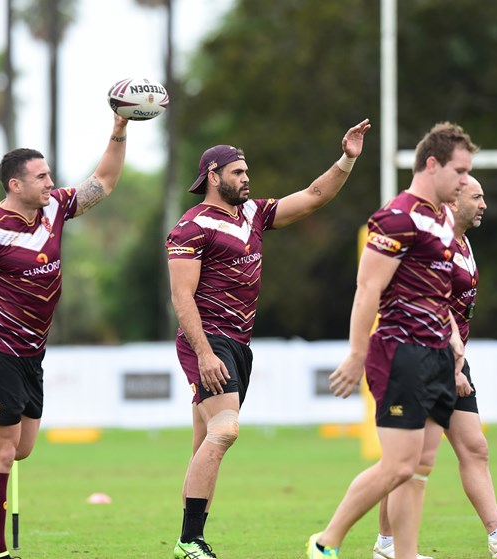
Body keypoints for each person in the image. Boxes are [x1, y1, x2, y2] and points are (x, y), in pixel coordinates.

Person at [166, 119, 371, 559]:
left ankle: (188, 540)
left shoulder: (254, 214)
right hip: (208, 340)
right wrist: (204, 353)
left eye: (247, 171)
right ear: (213, 176)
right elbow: (181, 297)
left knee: (205, 444)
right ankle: (189, 541)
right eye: (238, 172)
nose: (247, 178)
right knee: (225, 431)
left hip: (239, 344)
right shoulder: (190, 227)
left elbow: (314, 196)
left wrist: (346, 159)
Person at [0, 113, 130, 559]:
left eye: (49, 175)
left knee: (21, 450)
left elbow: (104, 180)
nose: (50, 182)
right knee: (2, 454)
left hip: (32, 355)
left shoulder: (55, 209)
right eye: (41, 176)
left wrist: (119, 129)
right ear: (15, 184)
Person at [307, 122, 477, 559]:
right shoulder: (397, 217)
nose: (465, 182)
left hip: (437, 354)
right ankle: (325, 542)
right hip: (401, 352)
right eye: (460, 172)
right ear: (432, 164)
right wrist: (356, 354)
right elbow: (368, 288)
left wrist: (453, 340)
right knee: (399, 465)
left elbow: (437, 291)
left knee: (419, 469)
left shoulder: (442, 219)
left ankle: (404, 554)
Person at [371, 176, 497, 559]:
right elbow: (432, 304)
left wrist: (456, 362)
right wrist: (452, 365)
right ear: (453, 201)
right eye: (477, 197)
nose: (484, 204)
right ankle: (383, 543)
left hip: (450, 358)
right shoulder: (433, 244)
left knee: (475, 447)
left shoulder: (463, 242)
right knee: (404, 460)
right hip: (424, 357)